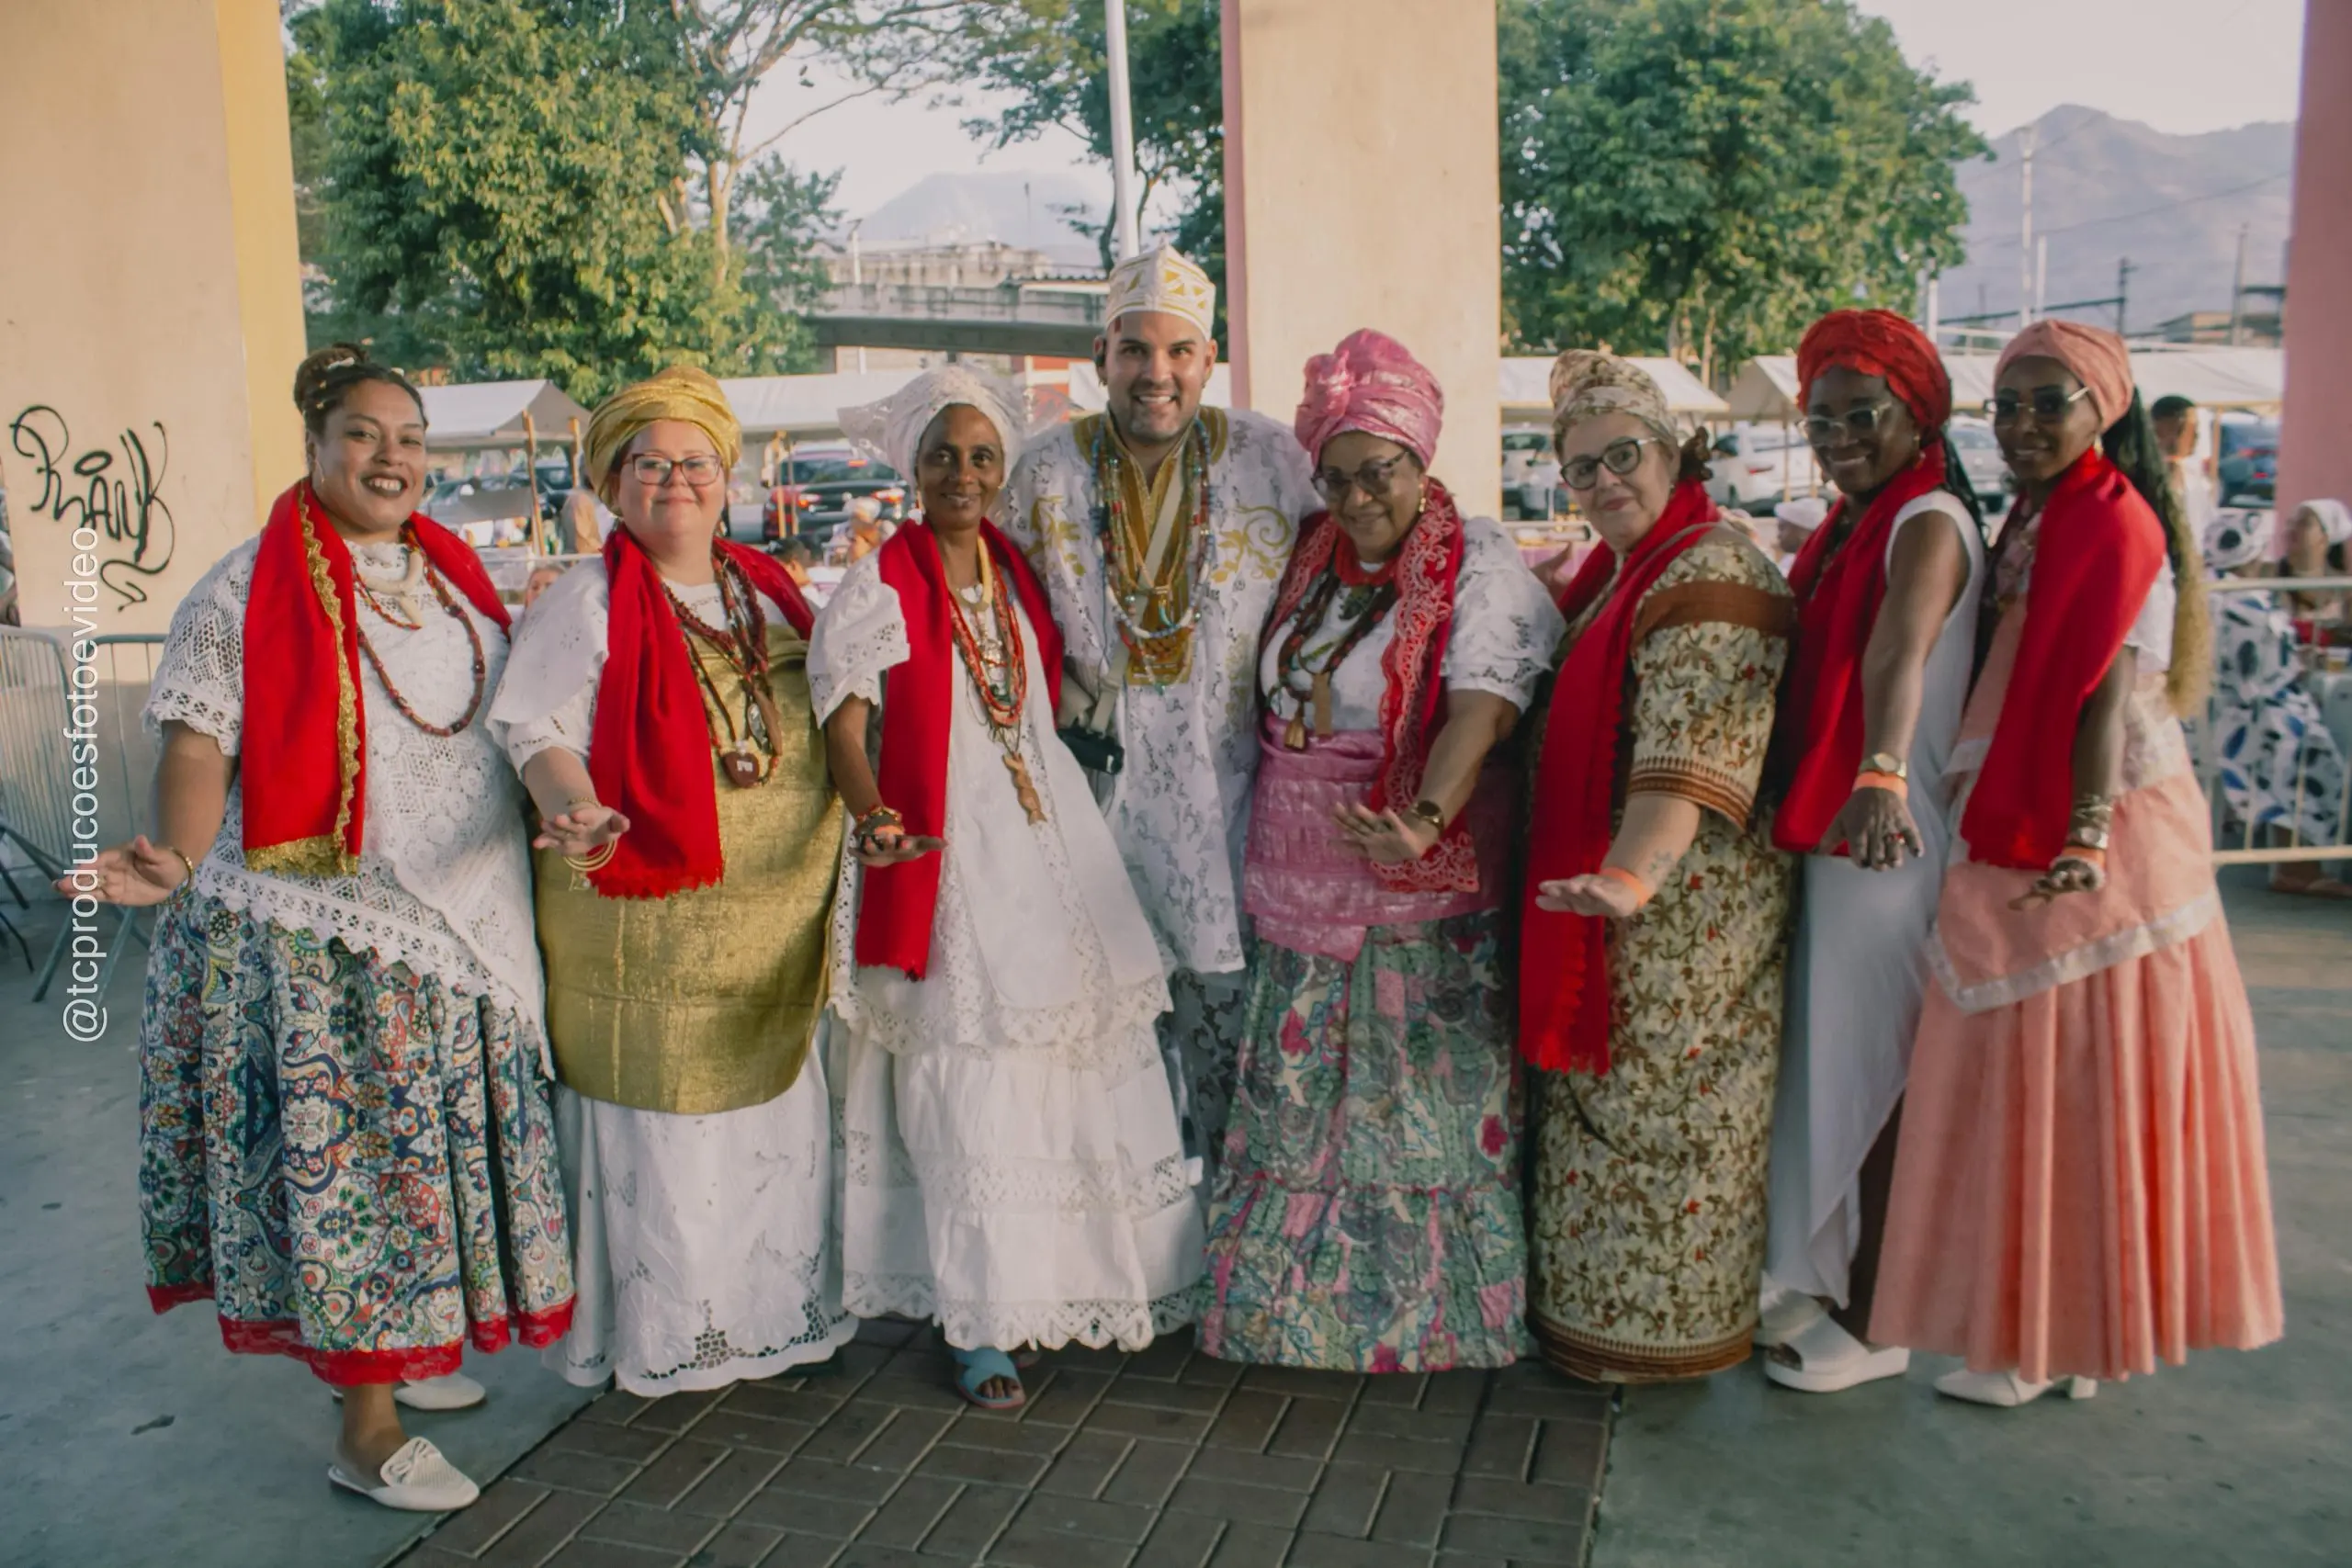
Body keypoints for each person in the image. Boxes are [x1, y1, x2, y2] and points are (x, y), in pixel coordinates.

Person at [70, 344, 573, 1511]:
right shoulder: (243, 587)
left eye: (410, 438)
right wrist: (178, 858)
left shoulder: (452, 578)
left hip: (457, 927)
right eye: (363, 433)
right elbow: (198, 742)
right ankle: (366, 1426)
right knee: (368, 1185)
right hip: (318, 944)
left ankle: (401, 1352)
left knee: (430, 1168)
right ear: (315, 444)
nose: (391, 456)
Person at [1870, 320, 2281, 1406]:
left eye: (2048, 402)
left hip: (2090, 829)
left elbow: (2101, 692)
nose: (2021, 425)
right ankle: (2054, 1339)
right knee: (2064, 1083)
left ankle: (2040, 1343)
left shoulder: (2110, 523)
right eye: (2006, 405)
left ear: (2105, 406)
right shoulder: (2051, 512)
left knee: (2049, 1081)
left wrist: (2087, 833)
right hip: (2057, 813)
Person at [815, 367, 1203, 1411]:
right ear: (911, 466)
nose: (963, 474)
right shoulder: (876, 582)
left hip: (1049, 842)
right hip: (948, 850)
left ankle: (1070, 1287)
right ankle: (983, 1324)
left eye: (983, 456)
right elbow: (844, 721)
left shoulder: (1016, 571)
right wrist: (873, 815)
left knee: (1077, 1066)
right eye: (943, 454)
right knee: (975, 1075)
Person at [486, 367, 854, 1396]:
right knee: (668, 1134)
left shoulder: (768, 587)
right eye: (649, 464)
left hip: (770, 921)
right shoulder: (586, 598)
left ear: (727, 475)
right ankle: (675, 1333)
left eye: (695, 461)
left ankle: (765, 1319)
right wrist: (573, 804)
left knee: (763, 1128)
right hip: (641, 917)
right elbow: (534, 728)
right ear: (611, 483)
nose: (675, 480)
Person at [1201, 332, 1562, 1371]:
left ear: (1422, 463)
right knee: (1298, 1103)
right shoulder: (1310, 557)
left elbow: (1483, 705)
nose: (1359, 498)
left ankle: (1431, 1324)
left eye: (1382, 473)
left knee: (1407, 1111)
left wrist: (1429, 814)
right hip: (1297, 884)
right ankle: (1281, 1317)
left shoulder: (1475, 562)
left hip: (1411, 887)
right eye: (1339, 476)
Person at [1006, 244, 1319, 1186]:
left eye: (1178, 352)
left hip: (1230, 782)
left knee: (1226, 1005)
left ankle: (1233, 1211)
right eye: (1135, 351)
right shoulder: (1042, 466)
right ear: (1101, 355)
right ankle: (1130, 1224)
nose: (1156, 374)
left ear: (1208, 357)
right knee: (1109, 1018)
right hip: (1090, 785)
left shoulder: (1271, 455)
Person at [1519, 352, 1797, 1384]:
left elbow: (1686, 753)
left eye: (1621, 457)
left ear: (1674, 451)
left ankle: (1666, 1343)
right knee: (1606, 1118)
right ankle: (1593, 1327)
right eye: (1580, 470)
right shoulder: (1621, 572)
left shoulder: (1713, 572)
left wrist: (1628, 881)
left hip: (1686, 919)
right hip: (1617, 901)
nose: (1603, 485)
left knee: (1671, 1123)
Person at [1755, 310, 1986, 1393]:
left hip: (1887, 828)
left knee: (1879, 1075)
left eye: (1863, 414)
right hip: (1845, 827)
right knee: (1830, 1066)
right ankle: (1820, 1275)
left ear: (1918, 412)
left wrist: (1882, 767)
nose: (1839, 434)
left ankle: (1879, 1319)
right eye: (1822, 419)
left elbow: (1902, 648)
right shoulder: (1852, 521)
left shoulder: (1925, 519)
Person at [2274, 498, 2351, 631]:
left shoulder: (2344, 588)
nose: (2292, 529)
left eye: (2304, 523)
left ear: (2324, 539)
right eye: (2290, 523)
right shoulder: (2269, 577)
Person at [2151, 394, 2215, 536]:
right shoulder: (2144, 474)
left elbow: (2207, 526)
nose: (2196, 435)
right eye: (2189, 428)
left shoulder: (2195, 477)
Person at [832, 494, 894, 564]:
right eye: (853, 516)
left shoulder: (883, 527)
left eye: (858, 517)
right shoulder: (845, 529)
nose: (854, 520)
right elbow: (835, 552)